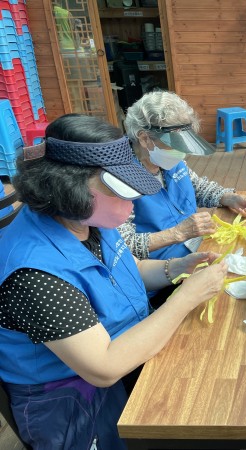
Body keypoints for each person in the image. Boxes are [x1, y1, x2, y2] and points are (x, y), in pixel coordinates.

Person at [0, 114, 228, 449]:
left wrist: (176, 267)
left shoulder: (85, 218)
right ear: (71, 186)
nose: (132, 201)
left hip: (126, 354)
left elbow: (129, 267)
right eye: (120, 190)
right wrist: (185, 298)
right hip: (72, 400)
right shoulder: (34, 275)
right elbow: (103, 367)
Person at [118, 91, 246, 263]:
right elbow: (121, 244)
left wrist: (228, 197)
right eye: (175, 143)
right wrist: (177, 233)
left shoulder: (165, 159)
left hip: (199, 245)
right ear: (144, 139)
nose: (182, 151)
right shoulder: (119, 180)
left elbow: (196, 187)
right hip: (164, 267)